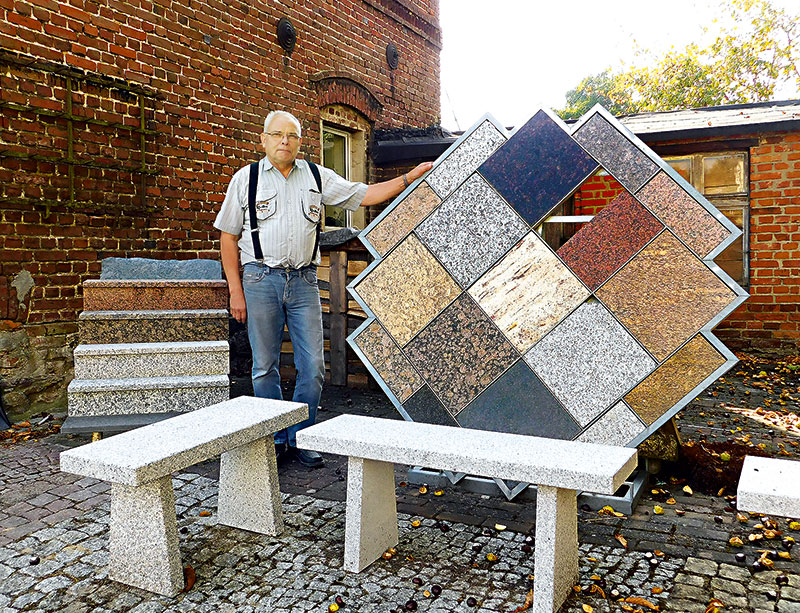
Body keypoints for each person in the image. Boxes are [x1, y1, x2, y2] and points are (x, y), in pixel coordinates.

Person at [214, 110, 433, 468]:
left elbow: (365, 194)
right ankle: (274, 439)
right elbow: (228, 237)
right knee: (264, 367)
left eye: (292, 136)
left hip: (303, 281)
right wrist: (235, 292)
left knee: (313, 366)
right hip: (259, 279)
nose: (285, 141)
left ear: (301, 142)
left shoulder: (316, 176)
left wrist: (409, 176)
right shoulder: (246, 179)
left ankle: (301, 437)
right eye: (278, 134)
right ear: (264, 139)